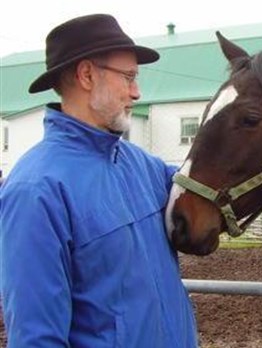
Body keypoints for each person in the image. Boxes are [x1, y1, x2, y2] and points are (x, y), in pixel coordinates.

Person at [0, 14, 198, 347]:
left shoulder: (142, 166)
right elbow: (37, 338)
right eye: (129, 77)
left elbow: (207, 192)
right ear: (87, 75)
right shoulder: (36, 190)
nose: (137, 92)